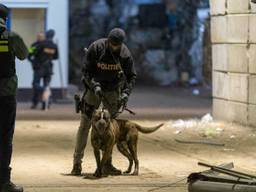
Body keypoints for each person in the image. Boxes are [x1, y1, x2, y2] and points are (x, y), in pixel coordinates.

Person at [71, 28, 137, 175]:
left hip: (112, 92)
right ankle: (77, 164)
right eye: (112, 44)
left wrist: (126, 93)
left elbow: (132, 76)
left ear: (120, 44)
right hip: (93, 91)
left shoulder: (125, 54)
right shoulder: (96, 48)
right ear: (108, 40)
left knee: (110, 129)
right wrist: (94, 85)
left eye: (117, 45)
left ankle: (107, 164)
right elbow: (86, 71)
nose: (114, 47)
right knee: (85, 125)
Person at [0, 3, 28, 192]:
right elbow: (24, 54)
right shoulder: (11, 36)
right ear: (6, 18)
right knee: (4, 138)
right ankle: (3, 182)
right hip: (6, 94)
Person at [32, 29, 58, 110]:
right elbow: (56, 57)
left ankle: (44, 90)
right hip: (49, 68)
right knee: (46, 84)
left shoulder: (41, 43)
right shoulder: (54, 45)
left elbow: (34, 52)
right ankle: (45, 104)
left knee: (35, 84)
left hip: (40, 68)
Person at [28, 32, 45, 109]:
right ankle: (35, 103)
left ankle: (45, 103)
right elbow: (29, 55)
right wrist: (33, 62)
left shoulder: (46, 45)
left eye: (41, 36)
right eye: (38, 36)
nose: (39, 38)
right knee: (35, 85)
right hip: (38, 68)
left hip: (44, 68)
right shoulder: (34, 45)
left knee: (38, 84)